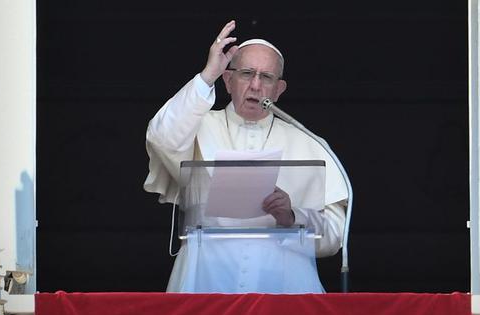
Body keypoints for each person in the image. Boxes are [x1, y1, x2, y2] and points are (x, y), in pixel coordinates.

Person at [144, 20, 348, 293]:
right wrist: (208, 75)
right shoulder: (197, 125)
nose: (255, 85)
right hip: (205, 277)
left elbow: (334, 237)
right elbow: (161, 136)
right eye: (246, 73)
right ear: (228, 80)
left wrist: (292, 217)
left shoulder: (308, 142)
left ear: (279, 89)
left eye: (266, 78)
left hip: (283, 284)